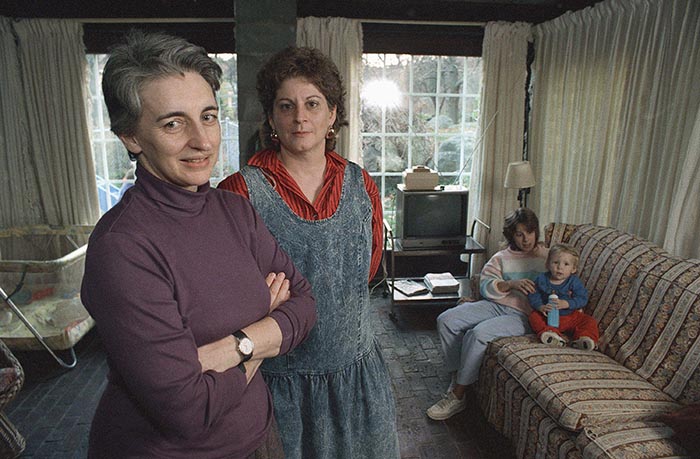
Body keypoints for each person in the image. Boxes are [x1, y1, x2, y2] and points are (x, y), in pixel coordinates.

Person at [81, 31, 317, 459]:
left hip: (261, 439)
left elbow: (304, 305)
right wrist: (264, 329)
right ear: (131, 136)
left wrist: (228, 349)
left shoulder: (235, 211)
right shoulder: (122, 248)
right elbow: (188, 409)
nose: (203, 141)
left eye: (208, 116)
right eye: (173, 123)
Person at [218, 46, 399, 458]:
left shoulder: (361, 184)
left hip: (356, 376)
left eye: (313, 104)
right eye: (287, 105)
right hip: (277, 384)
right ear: (271, 117)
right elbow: (223, 297)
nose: (300, 117)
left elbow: (368, 270)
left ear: (332, 114)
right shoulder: (239, 192)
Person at [426, 208, 548, 421]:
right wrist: (510, 283)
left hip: (524, 315)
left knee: (479, 333)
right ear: (512, 235)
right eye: (519, 234)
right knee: (446, 320)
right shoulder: (502, 257)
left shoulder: (547, 256)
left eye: (530, 232)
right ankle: (458, 377)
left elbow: (563, 282)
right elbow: (485, 286)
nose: (526, 238)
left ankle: (458, 396)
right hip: (495, 304)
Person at [527, 243, 598, 350]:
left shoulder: (574, 282)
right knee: (533, 316)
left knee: (589, 321)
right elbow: (533, 294)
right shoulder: (541, 279)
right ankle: (550, 335)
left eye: (566, 264)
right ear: (547, 264)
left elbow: (582, 298)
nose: (560, 267)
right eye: (555, 262)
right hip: (548, 317)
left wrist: (567, 303)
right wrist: (540, 306)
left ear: (573, 269)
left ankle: (584, 338)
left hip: (570, 316)